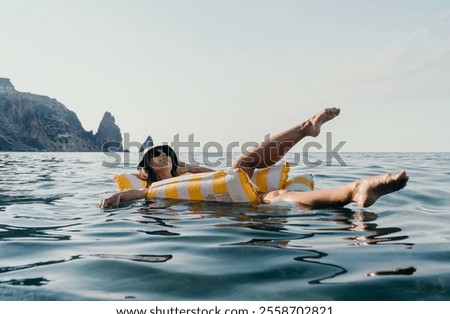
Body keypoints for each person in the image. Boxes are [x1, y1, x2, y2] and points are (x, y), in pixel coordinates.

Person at [99, 108, 408, 208]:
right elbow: (140, 193)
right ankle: (305, 128)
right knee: (243, 164)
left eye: (166, 151)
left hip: (240, 192)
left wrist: (190, 168)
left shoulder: (186, 170)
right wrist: (119, 194)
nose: (163, 155)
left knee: (280, 195)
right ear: (144, 168)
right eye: (155, 155)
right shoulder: (152, 187)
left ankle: (357, 189)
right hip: (229, 202)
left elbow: (219, 174)